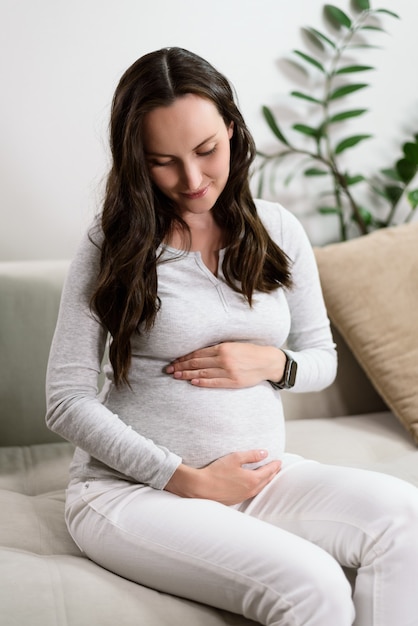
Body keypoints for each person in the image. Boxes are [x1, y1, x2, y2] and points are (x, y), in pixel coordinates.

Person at [46, 47, 418, 626]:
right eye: (162, 161)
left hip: (261, 478)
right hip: (133, 493)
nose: (191, 180)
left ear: (233, 130)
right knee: (313, 586)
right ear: (133, 159)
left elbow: (323, 358)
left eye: (206, 151)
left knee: (405, 516)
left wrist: (272, 362)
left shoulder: (277, 230)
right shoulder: (111, 244)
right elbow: (66, 400)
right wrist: (184, 478)